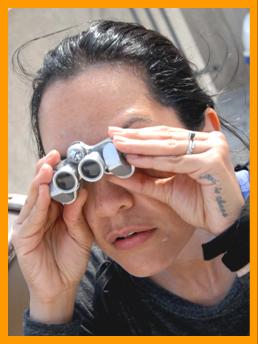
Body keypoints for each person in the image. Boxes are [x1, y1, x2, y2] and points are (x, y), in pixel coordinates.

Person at [11, 20, 249, 336]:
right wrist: (51, 303)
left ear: (204, 132)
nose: (109, 204)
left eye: (129, 155)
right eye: (76, 174)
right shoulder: (89, 302)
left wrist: (243, 237)